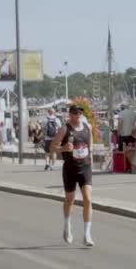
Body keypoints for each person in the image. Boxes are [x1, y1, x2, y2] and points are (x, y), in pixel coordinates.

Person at [50, 104, 95, 247]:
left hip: (85, 166)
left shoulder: (87, 128)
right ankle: (67, 225)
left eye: (80, 113)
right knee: (70, 199)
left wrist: (91, 153)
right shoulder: (64, 129)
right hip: (70, 168)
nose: (78, 115)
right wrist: (63, 148)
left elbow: (90, 143)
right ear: (70, 115)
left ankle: (87, 234)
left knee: (88, 199)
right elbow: (52, 147)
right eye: (75, 113)